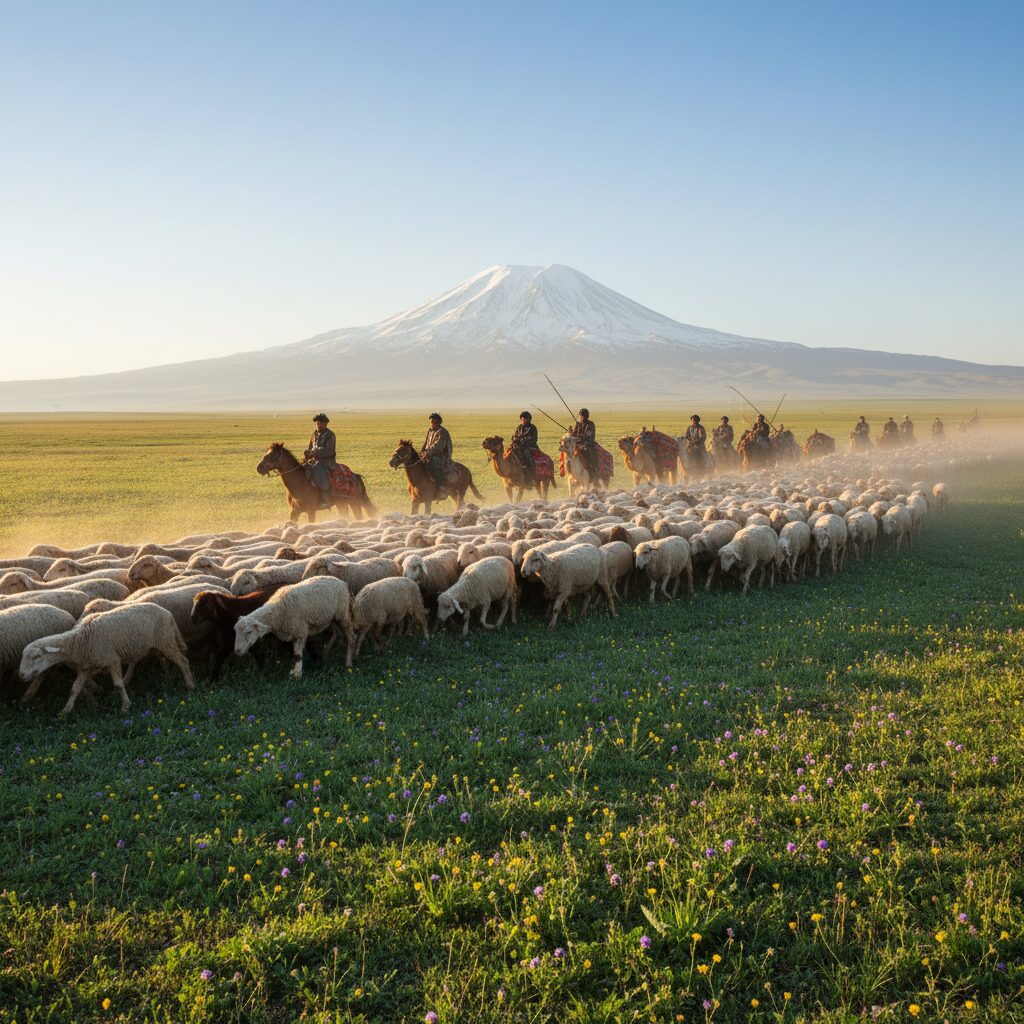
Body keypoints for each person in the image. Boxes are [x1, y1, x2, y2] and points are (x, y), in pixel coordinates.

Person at [304, 413, 338, 508]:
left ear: (325, 424)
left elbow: (330, 451)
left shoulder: (330, 435)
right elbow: (310, 448)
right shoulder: (314, 434)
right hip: (314, 460)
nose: (318, 425)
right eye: (316, 423)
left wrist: (316, 452)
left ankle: (325, 499)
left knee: (318, 473)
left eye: (320, 424)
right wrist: (308, 453)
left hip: (327, 462)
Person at [420, 412, 454, 499]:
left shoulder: (441, 432)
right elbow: (426, 444)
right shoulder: (430, 431)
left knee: (433, 463)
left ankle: (442, 488)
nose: (431, 423)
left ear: (438, 422)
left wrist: (428, 453)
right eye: (430, 422)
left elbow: (438, 446)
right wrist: (421, 453)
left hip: (441, 456)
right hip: (429, 454)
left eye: (433, 422)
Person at [510, 411, 538, 480]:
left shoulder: (532, 427)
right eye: (522, 419)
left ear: (529, 419)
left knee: (528, 456)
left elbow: (534, 439)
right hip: (518, 446)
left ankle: (532, 474)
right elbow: (514, 436)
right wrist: (515, 438)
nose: (523, 420)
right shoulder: (519, 427)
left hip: (529, 447)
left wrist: (524, 440)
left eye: (524, 419)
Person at [571, 408, 598, 479]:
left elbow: (589, 435)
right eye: (582, 415)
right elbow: (575, 433)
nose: (583, 417)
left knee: (590, 455)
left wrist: (580, 437)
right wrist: (571, 432)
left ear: (588, 416)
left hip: (588, 444)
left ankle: (594, 471)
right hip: (578, 444)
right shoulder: (578, 423)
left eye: (585, 415)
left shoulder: (590, 424)